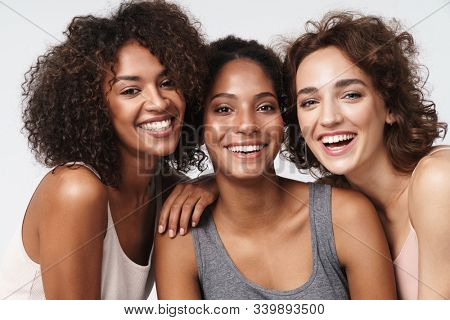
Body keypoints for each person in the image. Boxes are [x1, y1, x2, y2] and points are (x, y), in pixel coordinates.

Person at [0, 0, 218, 300]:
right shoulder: (77, 191)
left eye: (167, 82)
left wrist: (217, 183)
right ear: (95, 107)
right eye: (130, 90)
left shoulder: (169, 192)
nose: (158, 102)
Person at [154, 36, 396, 300]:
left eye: (265, 106)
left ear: (285, 121)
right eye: (224, 109)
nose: (247, 125)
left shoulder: (347, 217)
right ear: (199, 125)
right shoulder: (181, 237)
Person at [283, 12, 449, 299]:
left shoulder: (438, 179)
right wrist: (209, 185)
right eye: (310, 102)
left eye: (350, 95)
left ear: (391, 108)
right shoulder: (335, 206)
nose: (329, 119)